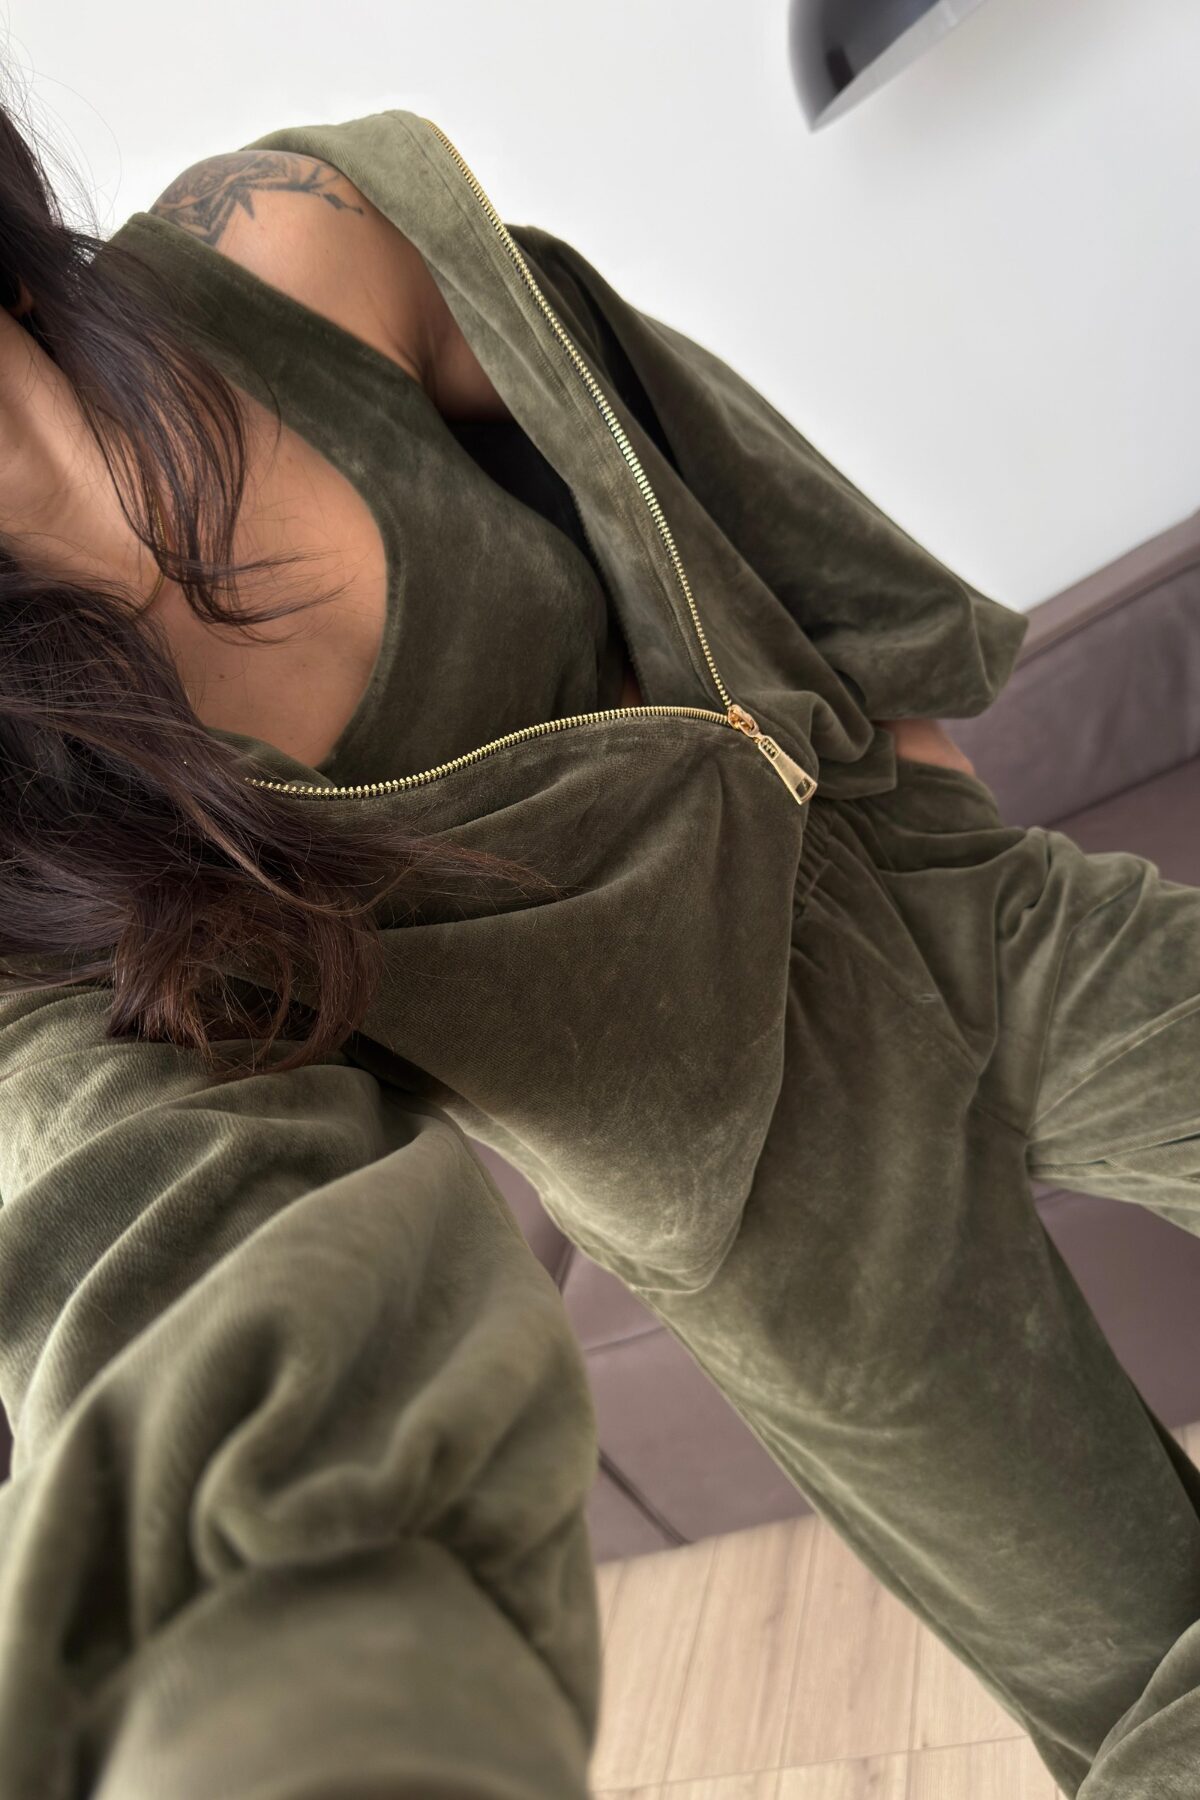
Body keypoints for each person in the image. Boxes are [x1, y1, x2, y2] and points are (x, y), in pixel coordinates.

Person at [0, 99, 1196, 1800]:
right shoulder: (24, 842)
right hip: (759, 1217)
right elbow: (153, 1237)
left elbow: (671, 449)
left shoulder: (290, 237)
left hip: (956, 910)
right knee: (1147, 1697)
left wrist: (922, 778)